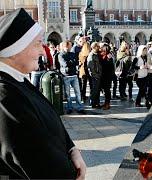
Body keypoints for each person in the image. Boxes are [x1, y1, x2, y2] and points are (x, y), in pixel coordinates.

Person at [0, 8, 86, 179]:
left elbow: (51, 118)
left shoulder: (19, 80)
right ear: (15, 49)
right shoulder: (4, 95)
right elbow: (39, 162)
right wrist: (72, 172)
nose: (42, 51)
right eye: (38, 43)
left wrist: (72, 149)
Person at [58, 40, 85, 114]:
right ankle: (69, 107)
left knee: (78, 92)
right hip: (66, 76)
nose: (71, 47)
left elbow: (76, 62)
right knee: (68, 94)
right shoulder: (60, 55)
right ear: (65, 46)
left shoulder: (72, 54)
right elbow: (65, 64)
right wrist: (72, 62)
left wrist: (72, 62)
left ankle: (80, 107)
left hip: (74, 75)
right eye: (69, 46)